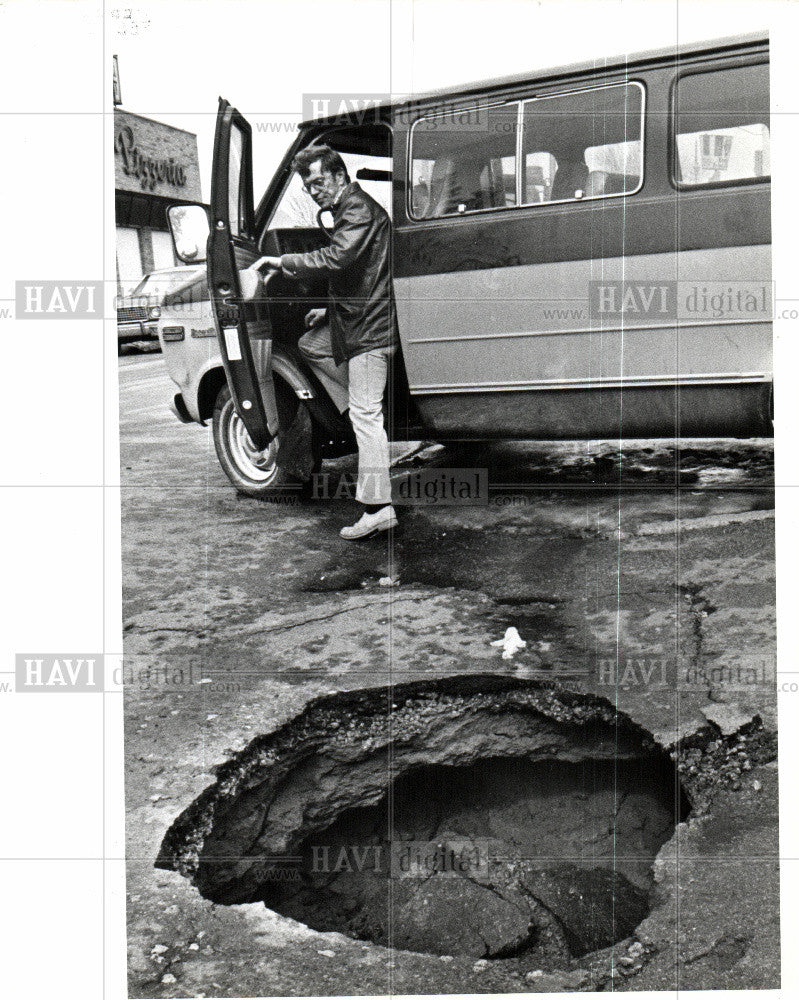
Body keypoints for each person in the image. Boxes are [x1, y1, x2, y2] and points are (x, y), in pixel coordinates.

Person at [248, 145, 399, 540]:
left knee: (367, 419)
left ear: (337, 175)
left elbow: (337, 259)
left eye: (317, 182)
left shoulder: (358, 209)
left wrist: (282, 262)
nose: (313, 191)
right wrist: (328, 312)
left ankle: (378, 508)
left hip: (370, 331)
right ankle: (360, 410)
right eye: (307, 185)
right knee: (311, 345)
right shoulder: (350, 209)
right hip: (357, 320)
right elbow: (362, 275)